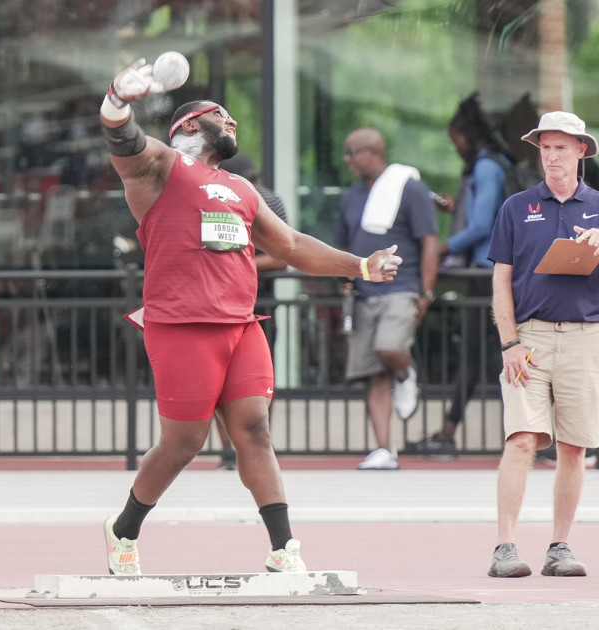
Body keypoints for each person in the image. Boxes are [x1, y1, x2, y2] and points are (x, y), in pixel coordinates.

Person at [99, 57, 403, 576]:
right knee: (185, 443)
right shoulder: (163, 166)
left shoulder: (241, 189)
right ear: (190, 124)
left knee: (255, 431)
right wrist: (116, 102)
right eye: (225, 115)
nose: (234, 123)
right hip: (181, 325)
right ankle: (124, 527)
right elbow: (125, 144)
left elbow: (289, 244)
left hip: (241, 325)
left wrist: (361, 266)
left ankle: (284, 547)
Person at [486, 111, 599, 578]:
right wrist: (509, 342)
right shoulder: (516, 207)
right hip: (529, 336)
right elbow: (500, 282)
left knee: (573, 447)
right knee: (522, 439)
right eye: (545, 147)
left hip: (588, 336)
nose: (551, 156)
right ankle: (504, 546)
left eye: (561, 147)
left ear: (581, 151)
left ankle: (559, 546)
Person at [408, 93, 510, 460]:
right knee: (481, 356)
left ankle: (520, 435)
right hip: (486, 273)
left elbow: (482, 224)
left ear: (467, 136)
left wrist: (442, 247)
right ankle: (450, 431)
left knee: (496, 357)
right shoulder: (489, 166)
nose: (456, 150)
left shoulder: (486, 168)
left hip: (488, 275)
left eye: (456, 142)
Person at [335, 128, 439, 471]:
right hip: (365, 292)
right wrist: (345, 279)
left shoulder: (409, 188)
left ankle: (406, 374)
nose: (347, 160)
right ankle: (384, 450)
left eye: (352, 153)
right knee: (374, 374)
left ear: (373, 152)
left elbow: (429, 242)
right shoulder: (350, 197)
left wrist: (426, 291)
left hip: (401, 287)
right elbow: (344, 248)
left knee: (388, 348)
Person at [211, 153, 289, 471]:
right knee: (217, 380)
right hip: (220, 302)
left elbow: (282, 256)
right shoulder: (213, 198)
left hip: (259, 302)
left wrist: (241, 265)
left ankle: (255, 446)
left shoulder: (269, 200)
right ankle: (229, 451)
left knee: (257, 382)